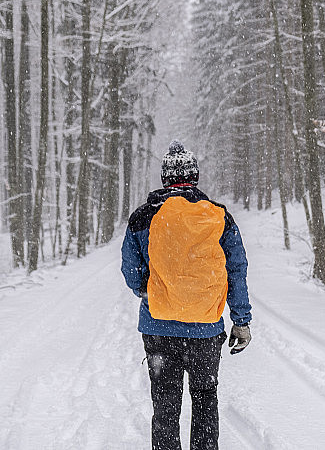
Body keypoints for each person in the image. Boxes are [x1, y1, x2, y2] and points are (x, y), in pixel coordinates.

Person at [121, 140, 252, 450]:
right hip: (205, 329)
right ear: (194, 177)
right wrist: (241, 320)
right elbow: (236, 270)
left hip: (158, 328)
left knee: (165, 404)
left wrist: (152, 291)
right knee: (205, 398)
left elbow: (131, 270)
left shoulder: (143, 217)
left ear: (166, 178)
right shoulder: (219, 217)